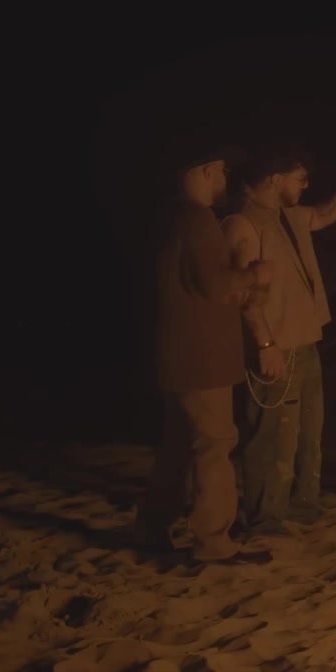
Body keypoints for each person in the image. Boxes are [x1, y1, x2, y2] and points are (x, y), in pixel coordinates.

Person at [135, 141, 271, 563]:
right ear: (206, 171)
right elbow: (213, 285)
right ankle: (213, 540)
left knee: (178, 446)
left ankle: (151, 527)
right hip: (202, 358)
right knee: (215, 443)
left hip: (178, 356)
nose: (226, 179)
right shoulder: (197, 219)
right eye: (222, 171)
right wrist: (253, 274)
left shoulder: (171, 216)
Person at [222, 143, 336, 533]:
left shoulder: (287, 216)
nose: (305, 185)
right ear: (274, 179)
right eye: (299, 179)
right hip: (276, 345)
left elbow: (324, 214)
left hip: (304, 341)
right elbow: (243, 294)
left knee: (306, 432)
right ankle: (264, 515)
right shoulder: (243, 224)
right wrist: (265, 344)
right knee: (271, 435)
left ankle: (302, 504)